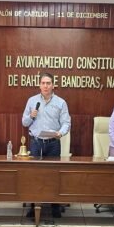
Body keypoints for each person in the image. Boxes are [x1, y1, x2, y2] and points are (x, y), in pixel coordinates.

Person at [21, 72, 71, 218]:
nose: (45, 86)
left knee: (54, 175)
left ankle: (55, 206)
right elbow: (24, 122)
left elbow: (66, 123)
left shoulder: (61, 103)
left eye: (48, 83)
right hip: (36, 143)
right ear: (39, 85)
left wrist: (61, 133)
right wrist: (31, 116)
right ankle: (34, 206)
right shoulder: (32, 101)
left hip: (53, 143)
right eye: (43, 83)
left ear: (53, 85)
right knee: (34, 176)